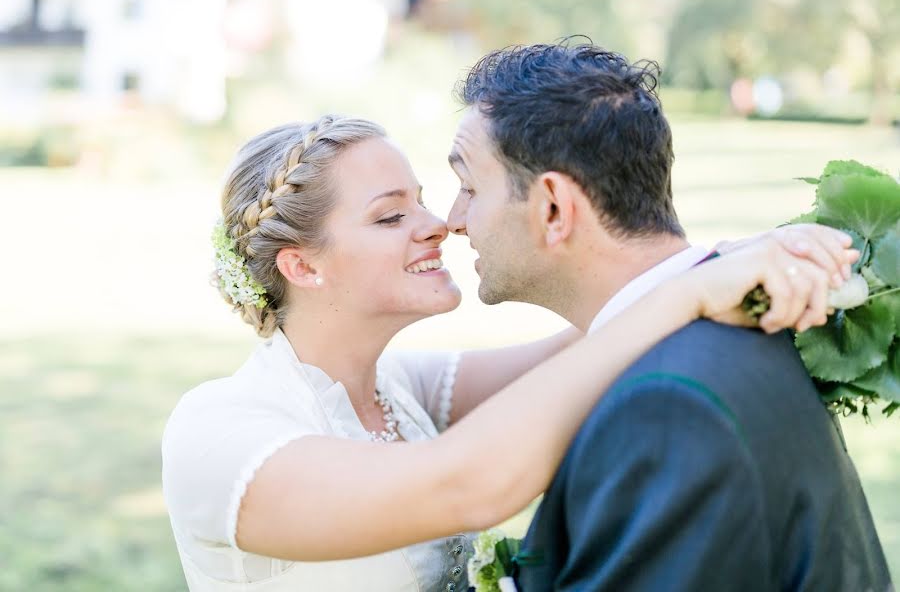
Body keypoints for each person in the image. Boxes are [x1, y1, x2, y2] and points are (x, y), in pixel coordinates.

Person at [160, 114, 854, 591]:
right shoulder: (218, 434)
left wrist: (724, 260)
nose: (439, 226)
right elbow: (466, 485)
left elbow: (593, 341)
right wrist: (692, 293)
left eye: (426, 201)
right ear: (303, 267)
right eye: (391, 215)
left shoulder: (400, 388)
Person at [446, 41, 891, 591]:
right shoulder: (730, 332)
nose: (454, 219)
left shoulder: (665, 406)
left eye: (468, 187)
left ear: (554, 209)